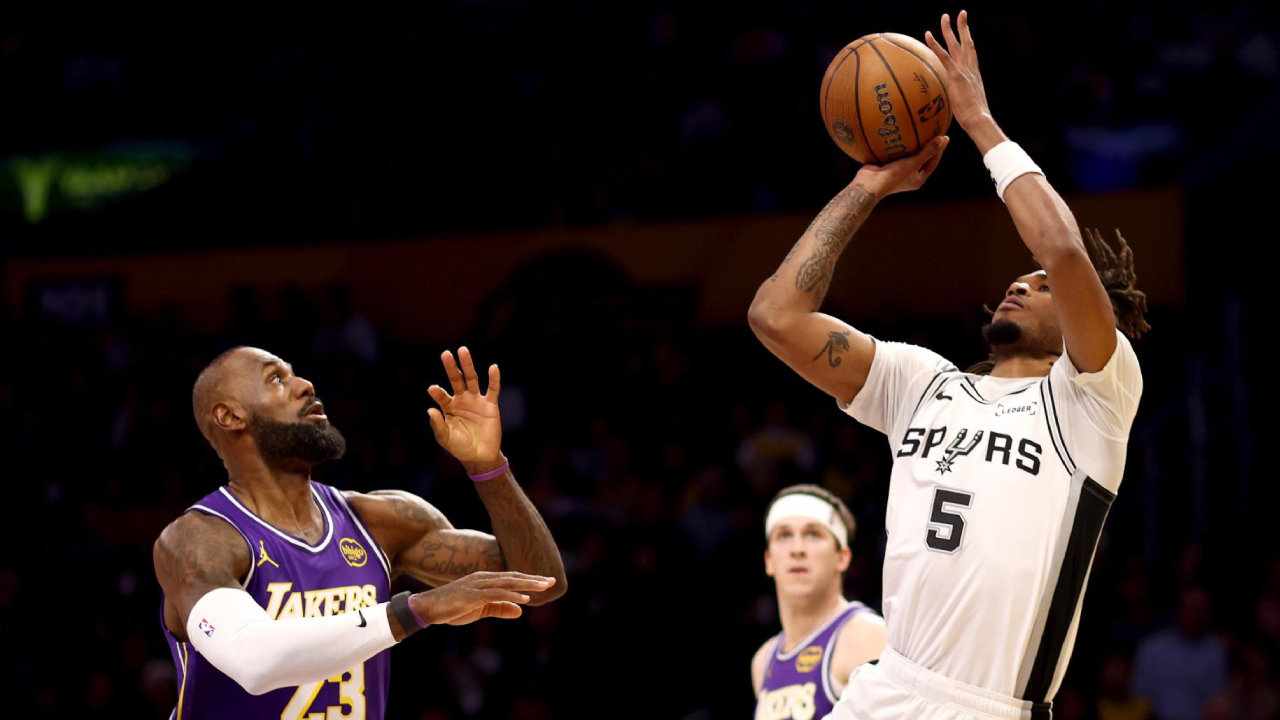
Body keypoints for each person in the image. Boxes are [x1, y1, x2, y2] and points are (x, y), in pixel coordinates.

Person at [748, 11, 1147, 720]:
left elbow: (1061, 248)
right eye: (1020, 278)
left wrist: (980, 125)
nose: (1021, 283)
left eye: (1042, 287)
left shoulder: (1095, 401)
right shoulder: (922, 384)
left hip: (986, 707)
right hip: (883, 688)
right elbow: (776, 316)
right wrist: (870, 186)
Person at [153, 345, 566, 719]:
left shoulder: (379, 521)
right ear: (230, 416)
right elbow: (254, 661)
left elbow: (540, 581)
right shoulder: (197, 540)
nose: (304, 384)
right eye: (276, 378)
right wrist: (417, 609)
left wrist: (488, 466)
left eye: (295, 373)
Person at [753, 485, 886, 720]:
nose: (797, 549)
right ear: (769, 560)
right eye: (784, 535)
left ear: (842, 557)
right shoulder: (763, 660)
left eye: (813, 534)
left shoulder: (866, 636)